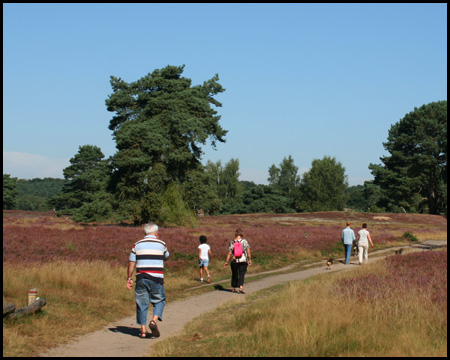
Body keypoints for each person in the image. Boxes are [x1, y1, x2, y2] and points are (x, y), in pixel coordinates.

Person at [127, 223, 169, 339]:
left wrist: (129, 278)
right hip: (157, 278)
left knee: (141, 304)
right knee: (160, 300)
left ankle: (143, 330)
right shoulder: (162, 244)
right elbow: (166, 256)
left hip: (141, 278)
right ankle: (154, 321)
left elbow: (131, 262)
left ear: (144, 233)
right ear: (156, 233)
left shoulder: (137, 245)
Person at [223, 228, 252, 294]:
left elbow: (229, 252)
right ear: (242, 234)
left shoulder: (232, 242)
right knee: (242, 273)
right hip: (243, 260)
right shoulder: (244, 241)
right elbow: (248, 251)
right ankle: (240, 287)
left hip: (234, 260)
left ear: (235, 234)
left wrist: (226, 261)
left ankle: (233, 287)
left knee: (234, 273)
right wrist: (249, 259)